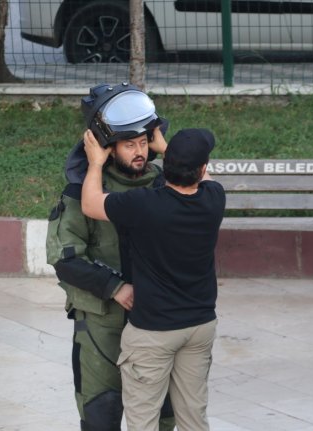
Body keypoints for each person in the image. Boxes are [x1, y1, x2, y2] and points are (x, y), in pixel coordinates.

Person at [45, 82, 175, 431]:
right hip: (101, 323)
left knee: (163, 414)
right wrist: (116, 288)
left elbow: (204, 190)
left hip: (158, 320)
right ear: (106, 146)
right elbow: (65, 258)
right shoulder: (80, 192)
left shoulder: (164, 184)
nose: (140, 152)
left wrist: (167, 150)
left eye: (144, 142)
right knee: (101, 412)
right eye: (129, 144)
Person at [80, 126, 226, 431]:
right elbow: (204, 179)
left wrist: (95, 163)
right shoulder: (214, 200)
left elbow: (90, 204)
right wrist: (166, 149)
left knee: (143, 422)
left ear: (166, 163)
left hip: (153, 333)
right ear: (202, 169)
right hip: (199, 327)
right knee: (193, 418)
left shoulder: (144, 205)